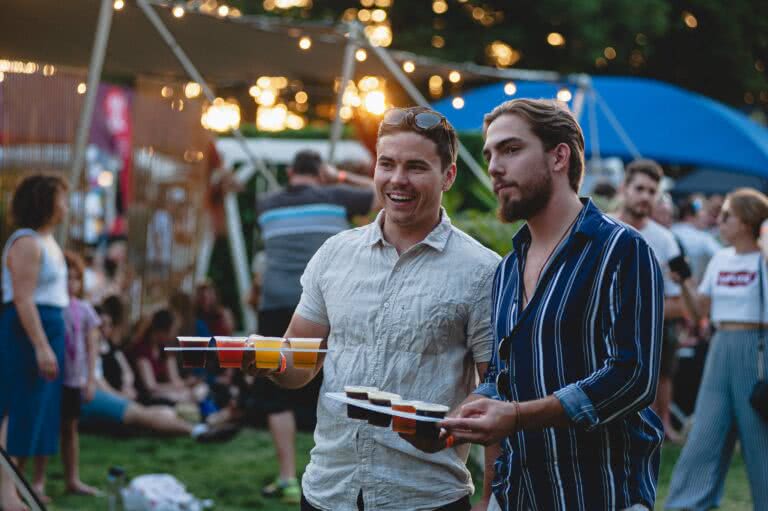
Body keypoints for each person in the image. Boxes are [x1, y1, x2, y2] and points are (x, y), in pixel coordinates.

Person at [245, 106, 501, 511]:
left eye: (416, 167)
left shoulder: (482, 271)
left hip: (425, 496)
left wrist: (491, 500)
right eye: (387, 164)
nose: (397, 179)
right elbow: (300, 362)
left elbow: (496, 396)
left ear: (448, 176)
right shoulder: (334, 254)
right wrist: (265, 360)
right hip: (330, 489)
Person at [438, 99, 664, 510]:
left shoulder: (621, 249)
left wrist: (519, 416)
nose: (493, 167)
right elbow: (506, 379)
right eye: (490, 154)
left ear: (559, 156)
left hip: (599, 492)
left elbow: (633, 377)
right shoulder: (508, 269)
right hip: (518, 493)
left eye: (510, 149)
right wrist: (459, 419)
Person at [251, 148, 378, 503]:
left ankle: (288, 477)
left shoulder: (265, 203)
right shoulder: (338, 196)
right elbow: (381, 193)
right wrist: (339, 176)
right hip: (328, 303)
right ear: (319, 171)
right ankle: (344, 472)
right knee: (338, 382)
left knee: (277, 392)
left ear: (290, 171)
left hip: (276, 302)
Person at [665, 188, 768, 511]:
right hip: (720, 345)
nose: (718, 221)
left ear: (748, 221)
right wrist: (683, 282)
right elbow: (698, 313)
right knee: (706, 430)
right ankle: (687, 502)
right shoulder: (720, 259)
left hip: (757, 348)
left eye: (727, 216)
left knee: (759, 436)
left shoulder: (764, 260)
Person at [0, 173, 70, 510]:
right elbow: (23, 299)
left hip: (49, 329)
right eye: (61, 198)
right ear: (45, 202)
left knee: (33, 412)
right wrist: (41, 345)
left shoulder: (48, 241)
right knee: (17, 409)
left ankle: (18, 485)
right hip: (28, 333)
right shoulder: (26, 242)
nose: (66, 205)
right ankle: (5, 492)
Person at [80, 297, 237, 443]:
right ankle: (202, 429)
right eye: (100, 326)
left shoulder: (115, 350)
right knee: (159, 411)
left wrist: (185, 386)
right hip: (131, 396)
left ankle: (208, 423)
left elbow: (127, 374)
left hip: (124, 395)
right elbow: (146, 386)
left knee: (197, 392)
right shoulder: (139, 351)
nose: (104, 330)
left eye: (107, 325)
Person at [615, 159, 686, 442]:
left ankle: (657, 428)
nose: (645, 196)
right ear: (624, 189)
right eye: (640, 189)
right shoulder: (600, 227)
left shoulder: (665, 240)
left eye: (651, 191)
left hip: (646, 335)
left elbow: (677, 302)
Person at [61, 251, 100, 496]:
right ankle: (36, 480)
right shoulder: (52, 308)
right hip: (53, 380)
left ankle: (72, 479)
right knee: (43, 430)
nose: (71, 283)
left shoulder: (85, 310)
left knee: (70, 429)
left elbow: (91, 347)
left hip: (74, 379)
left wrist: (90, 380)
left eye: (76, 278)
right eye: (67, 278)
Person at [671, 196, 721, 284]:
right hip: (691, 292)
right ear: (689, 216)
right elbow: (721, 256)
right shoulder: (704, 238)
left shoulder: (668, 231)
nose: (708, 219)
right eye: (704, 215)